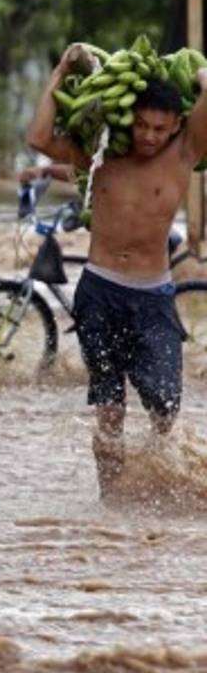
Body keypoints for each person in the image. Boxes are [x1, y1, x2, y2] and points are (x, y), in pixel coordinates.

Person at [26, 43, 207, 497]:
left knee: (165, 408)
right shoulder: (100, 153)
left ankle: (158, 487)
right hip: (100, 290)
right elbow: (39, 137)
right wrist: (62, 68)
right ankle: (112, 503)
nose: (148, 136)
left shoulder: (184, 153)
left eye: (159, 128)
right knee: (109, 410)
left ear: (176, 125)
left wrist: (198, 75)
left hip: (153, 295)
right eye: (142, 124)